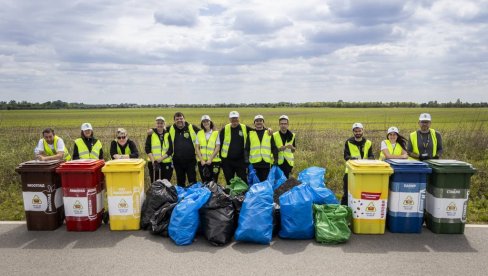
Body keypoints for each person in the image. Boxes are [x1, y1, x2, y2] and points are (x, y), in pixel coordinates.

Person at [341, 122, 374, 205]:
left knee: (363, 192)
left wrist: (366, 161)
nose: (358, 133)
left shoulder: (368, 142)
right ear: (353, 132)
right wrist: (354, 159)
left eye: (359, 131)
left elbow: (371, 156)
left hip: (365, 171)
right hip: (350, 171)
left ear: (362, 130)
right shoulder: (348, 142)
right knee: (347, 192)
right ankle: (344, 210)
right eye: (356, 131)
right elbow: (346, 156)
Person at [219, 111, 251, 185]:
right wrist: (221, 160)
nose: (234, 120)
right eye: (232, 118)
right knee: (229, 182)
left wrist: (267, 129)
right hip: (227, 161)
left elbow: (257, 131)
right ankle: (230, 196)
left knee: (243, 181)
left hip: (241, 161)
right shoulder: (225, 129)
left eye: (236, 118)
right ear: (229, 119)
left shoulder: (244, 127)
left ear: (239, 118)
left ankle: (243, 196)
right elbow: (219, 144)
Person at [168, 112, 200, 187]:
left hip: (191, 161)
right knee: (180, 182)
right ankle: (182, 198)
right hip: (177, 161)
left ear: (184, 119)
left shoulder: (192, 127)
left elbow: (205, 132)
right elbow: (160, 129)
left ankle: (193, 197)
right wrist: (152, 130)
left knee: (192, 181)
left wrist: (214, 129)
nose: (179, 120)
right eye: (177, 119)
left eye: (181, 118)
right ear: (174, 121)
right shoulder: (170, 129)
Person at [246, 115, 278, 182]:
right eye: (257, 121)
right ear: (254, 123)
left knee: (264, 183)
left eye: (260, 121)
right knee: (254, 184)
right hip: (254, 164)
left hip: (265, 164)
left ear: (263, 122)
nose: (259, 122)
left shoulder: (268, 133)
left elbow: (274, 147)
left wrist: (276, 159)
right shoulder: (250, 134)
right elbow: (247, 149)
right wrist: (246, 161)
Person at [145, 116, 173, 183]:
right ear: (155, 124)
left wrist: (161, 159)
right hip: (154, 163)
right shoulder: (151, 134)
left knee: (166, 183)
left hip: (166, 163)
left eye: (161, 123)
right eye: (158, 123)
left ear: (164, 124)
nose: (159, 125)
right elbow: (147, 148)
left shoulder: (168, 134)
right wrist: (153, 161)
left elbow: (170, 150)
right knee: (155, 183)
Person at [195, 115, 221, 183]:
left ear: (210, 122)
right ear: (202, 123)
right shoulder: (199, 133)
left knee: (213, 181)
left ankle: (214, 193)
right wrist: (201, 160)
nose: (206, 123)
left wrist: (210, 159)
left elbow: (217, 147)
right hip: (202, 162)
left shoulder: (216, 133)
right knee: (205, 181)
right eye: (204, 122)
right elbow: (197, 148)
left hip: (214, 161)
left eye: (207, 121)